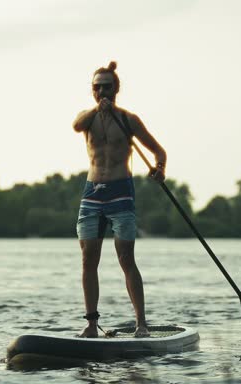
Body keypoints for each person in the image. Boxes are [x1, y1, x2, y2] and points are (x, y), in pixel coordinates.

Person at [71, 61, 167, 338]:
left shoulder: (129, 120)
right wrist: (99, 109)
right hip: (92, 193)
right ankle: (91, 324)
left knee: (126, 259)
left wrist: (159, 170)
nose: (102, 91)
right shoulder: (86, 118)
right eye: (97, 86)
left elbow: (159, 151)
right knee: (89, 259)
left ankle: (141, 324)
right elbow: (76, 125)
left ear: (117, 89)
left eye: (107, 86)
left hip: (121, 193)